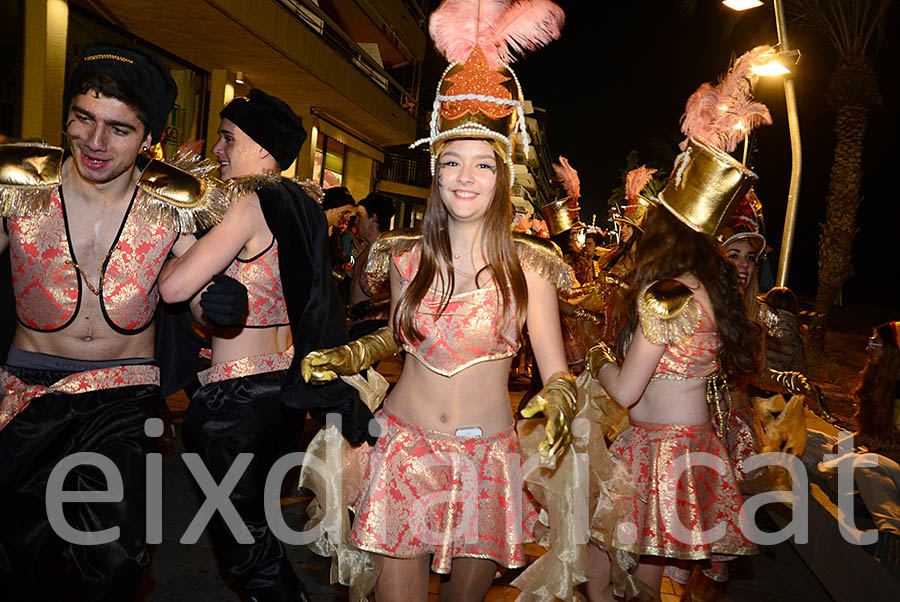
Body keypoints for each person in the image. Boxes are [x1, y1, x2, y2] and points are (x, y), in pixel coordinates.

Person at [298, 1, 578, 600]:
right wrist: (347, 358)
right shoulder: (405, 259)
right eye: (451, 161)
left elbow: (557, 371)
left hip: (488, 463)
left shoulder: (531, 267)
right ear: (435, 171)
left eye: (482, 163)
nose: (465, 176)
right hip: (405, 448)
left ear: (502, 176)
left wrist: (557, 404)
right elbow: (402, 340)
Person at [0, 41, 227, 601]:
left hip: (122, 398)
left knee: (117, 560)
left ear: (149, 138)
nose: (95, 143)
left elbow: (194, 291)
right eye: (84, 119)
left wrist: (216, 306)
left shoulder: (175, 204)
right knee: (18, 558)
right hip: (26, 393)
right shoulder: (16, 185)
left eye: (118, 129)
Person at [158, 88, 374, 602]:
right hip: (279, 388)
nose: (217, 149)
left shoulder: (251, 203)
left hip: (237, 398)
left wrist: (165, 232)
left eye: (228, 138)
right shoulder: (298, 205)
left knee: (241, 540)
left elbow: (173, 288)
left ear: (262, 149)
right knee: (252, 525)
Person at [585, 137, 762, 601]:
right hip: (695, 447)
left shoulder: (669, 295)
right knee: (648, 573)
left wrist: (598, 357)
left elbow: (625, 392)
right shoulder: (713, 291)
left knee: (592, 561)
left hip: (656, 451)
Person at [348, 192, 395, 339]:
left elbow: (396, 290)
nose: (355, 221)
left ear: (373, 218)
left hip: (373, 326)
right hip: (356, 323)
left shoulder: (387, 250)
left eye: (360, 216)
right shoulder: (363, 247)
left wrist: (369, 305)